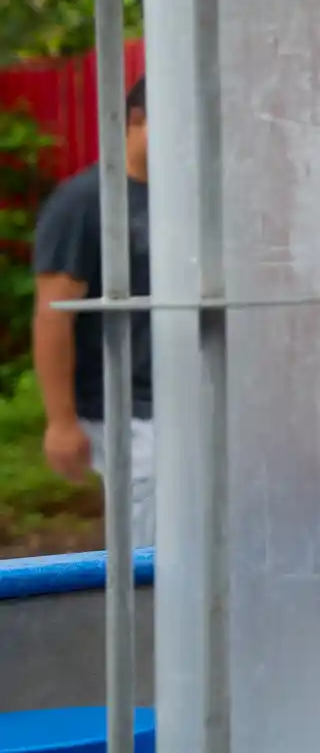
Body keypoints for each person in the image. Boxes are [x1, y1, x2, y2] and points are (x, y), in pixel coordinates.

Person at [33, 74, 155, 545]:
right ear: (136, 120)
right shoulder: (84, 202)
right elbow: (53, 315)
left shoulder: (185, 199)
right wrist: (61, 422)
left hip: (181, 398)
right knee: (150, 545)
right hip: (120, 408)